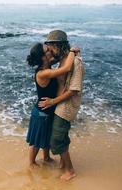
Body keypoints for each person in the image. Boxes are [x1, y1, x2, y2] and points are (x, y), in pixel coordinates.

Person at [39, 30, 85, 181]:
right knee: (61, 136)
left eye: (51, 46)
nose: (49, 51)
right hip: (59, 103)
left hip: (66, 105)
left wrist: (52, 101)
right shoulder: (62, 58)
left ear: (58, 45)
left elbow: (73, 90)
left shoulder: (75, 62)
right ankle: (64, 164)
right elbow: (45, 64)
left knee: (57, 140)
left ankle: (70, 170)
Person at [25, 42, 78, 168]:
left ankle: (46, 158)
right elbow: (66, 68)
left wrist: (65, 52)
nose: (51, 50)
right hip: (41, 112)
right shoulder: (43, 73)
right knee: (37, 140)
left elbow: (60, 58)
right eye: (48, 50)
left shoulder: (48, 64)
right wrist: (72, 51)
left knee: (47, 136)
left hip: (48, 110)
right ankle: (31, 163)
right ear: (43, 57)